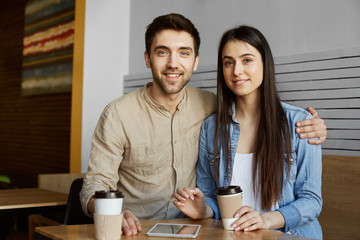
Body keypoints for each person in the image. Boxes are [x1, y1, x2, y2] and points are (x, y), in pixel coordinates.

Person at [80, 14, 326, 237]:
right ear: (148, 58)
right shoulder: (121, 114)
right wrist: (111, 213)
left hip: (249, 232)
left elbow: (311, 199)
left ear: (195, 61)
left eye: (184, 53)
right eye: (162, 52)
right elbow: (95, 185)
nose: (173, 64)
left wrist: (316, 126)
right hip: (144, 231)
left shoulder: (293, 123)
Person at [172, 25, 322, 239]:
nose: (236, 71)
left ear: (264, 63)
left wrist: (265, 219)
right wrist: (203, 210)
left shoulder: (300, 123)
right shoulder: (211, 128)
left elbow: (311, 201)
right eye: (228, 62)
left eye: (247, 60)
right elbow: (210, 196)